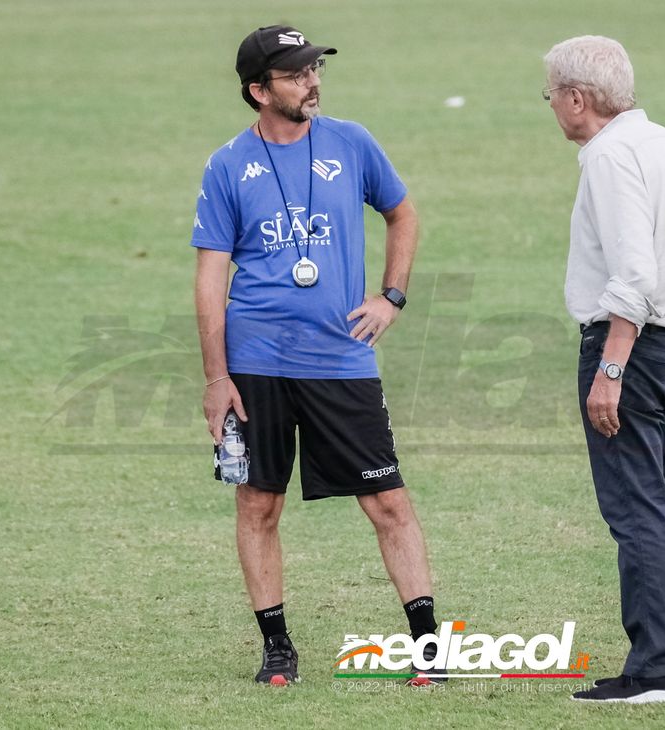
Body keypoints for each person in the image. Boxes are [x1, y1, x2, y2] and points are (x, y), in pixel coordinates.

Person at [191, 25, 440, 687]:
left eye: (314, 69)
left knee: (388, 503)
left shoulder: (351, 143)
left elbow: (404, 213)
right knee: (257, 506)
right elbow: (210, 279)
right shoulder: (227, 166)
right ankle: (277, 650)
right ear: (258, 90)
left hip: (341, 359)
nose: (313, 81)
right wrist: (217, 377)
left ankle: (429, 650)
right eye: (296, 74)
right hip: (255, 363)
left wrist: (391, 296)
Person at [543, 35, 665, 705]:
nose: (551, 105)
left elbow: (634, 274)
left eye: (551, 94)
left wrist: (610, 367)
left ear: (577, 99)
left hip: (630, 348)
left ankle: (655, 673)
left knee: (638, 511)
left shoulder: (609, 157)